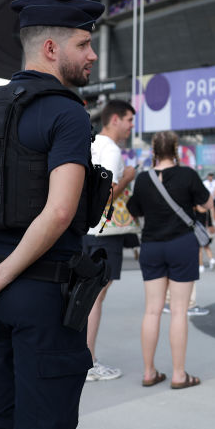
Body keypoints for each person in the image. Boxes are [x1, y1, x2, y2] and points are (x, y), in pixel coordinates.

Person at [0, 0, 105, 428]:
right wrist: (0, 275)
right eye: (84, 44)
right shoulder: (67, 114)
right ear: (51, 48)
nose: (93, 54)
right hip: (42, 294)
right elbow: (60, 211)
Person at [127, 130, 211, 389]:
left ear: (153, 150)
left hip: (151, 246)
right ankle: (178, 374)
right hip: (181, 245)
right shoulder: (187, 175)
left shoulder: (142, 179)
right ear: (176, 149)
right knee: (178, 311)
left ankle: (149, 372)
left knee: (152, 310)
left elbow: (134, 210)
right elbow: (206, 204)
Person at [83, 99, 138, 383]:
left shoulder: (91, 144)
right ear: (115, 119)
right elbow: (105, 198)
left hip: (85, 232)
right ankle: (88, 360)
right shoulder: (112, 151)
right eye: (129, 120)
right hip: (104, 232)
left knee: (83, 295)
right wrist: (127, 178)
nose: (131, 126)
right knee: (95, 298)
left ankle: (81, 356)